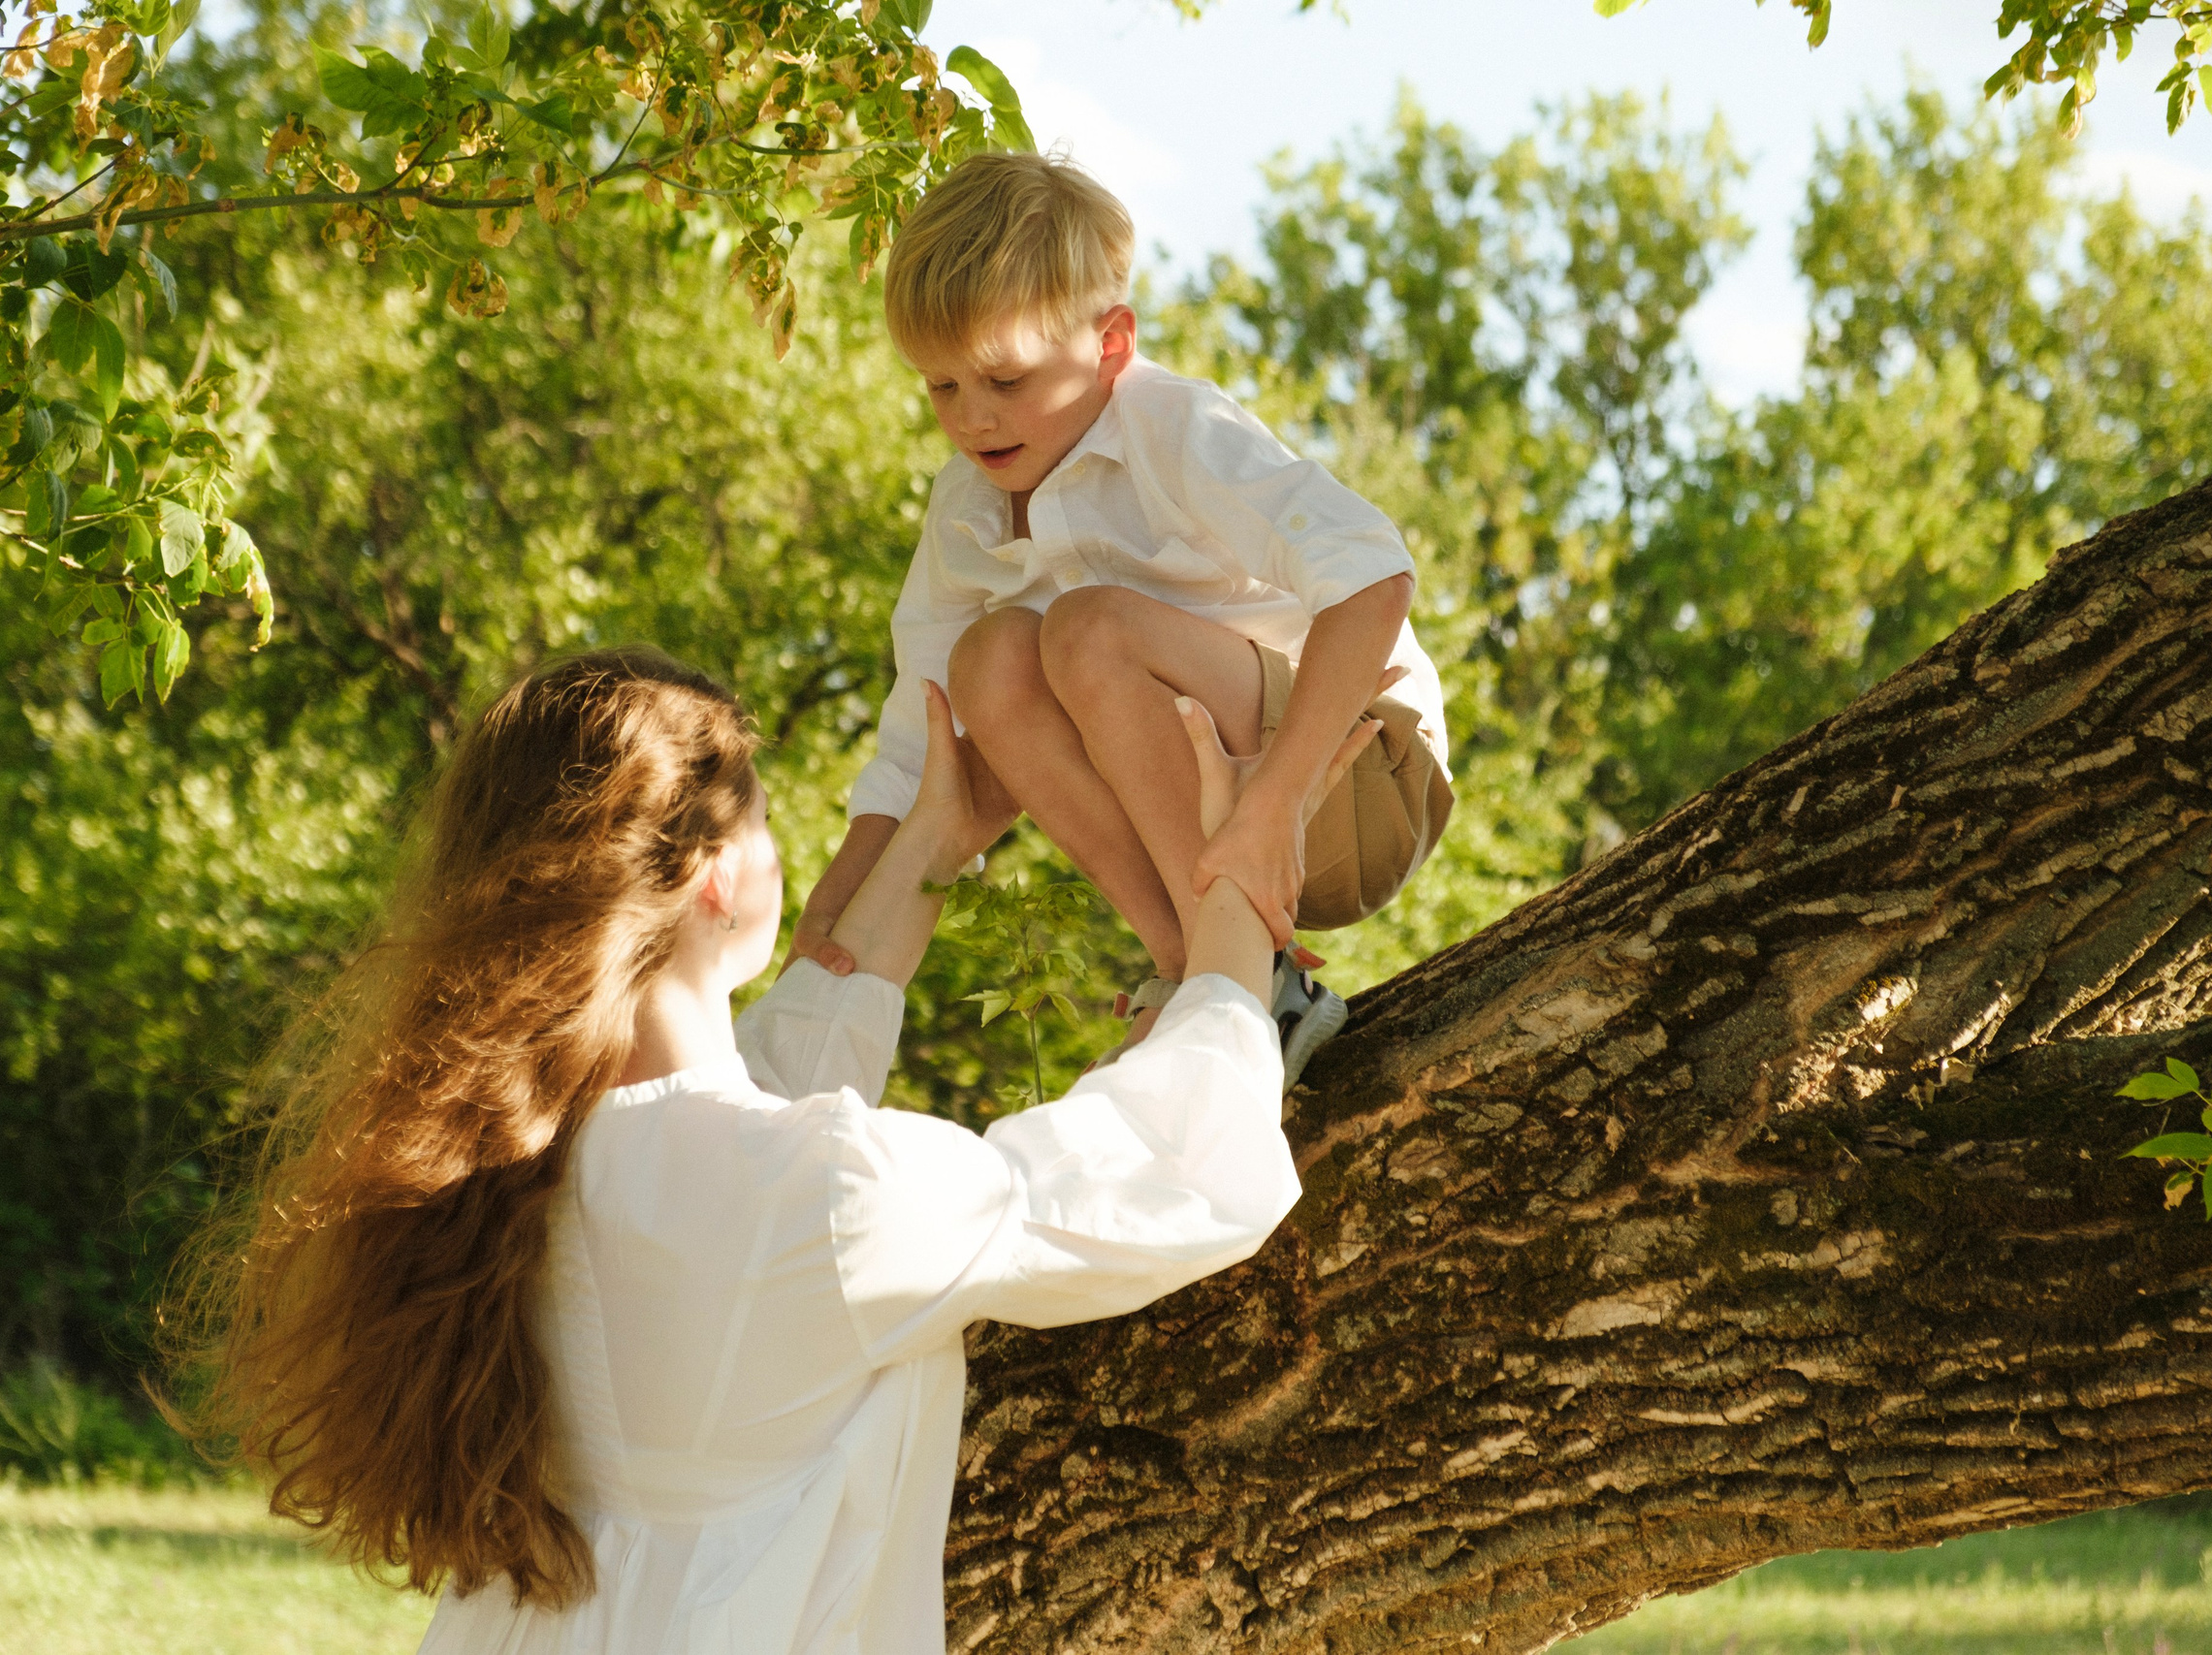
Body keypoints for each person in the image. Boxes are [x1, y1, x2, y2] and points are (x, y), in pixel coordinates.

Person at [168, 645, 1379, 1653]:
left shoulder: (509, 1165)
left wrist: (937, 841)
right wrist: (1234, 880)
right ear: (710, 874)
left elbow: (771, 1098)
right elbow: (1168, 1162)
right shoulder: (809, 1200)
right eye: (758, 805)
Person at [786, 151, 1454, 1085]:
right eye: (942, 388)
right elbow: (919, 741)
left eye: (1005, 382)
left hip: (1352, 774)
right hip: (1211, 821)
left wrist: (1272, 806)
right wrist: (836, 895)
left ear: (1110, 346)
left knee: (1087, 629)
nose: (972, 420)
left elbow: (1375, 575)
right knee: (987, 663)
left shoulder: (1173, 428)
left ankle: (1250, 972)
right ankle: (1194, 971)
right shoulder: (966, 508)